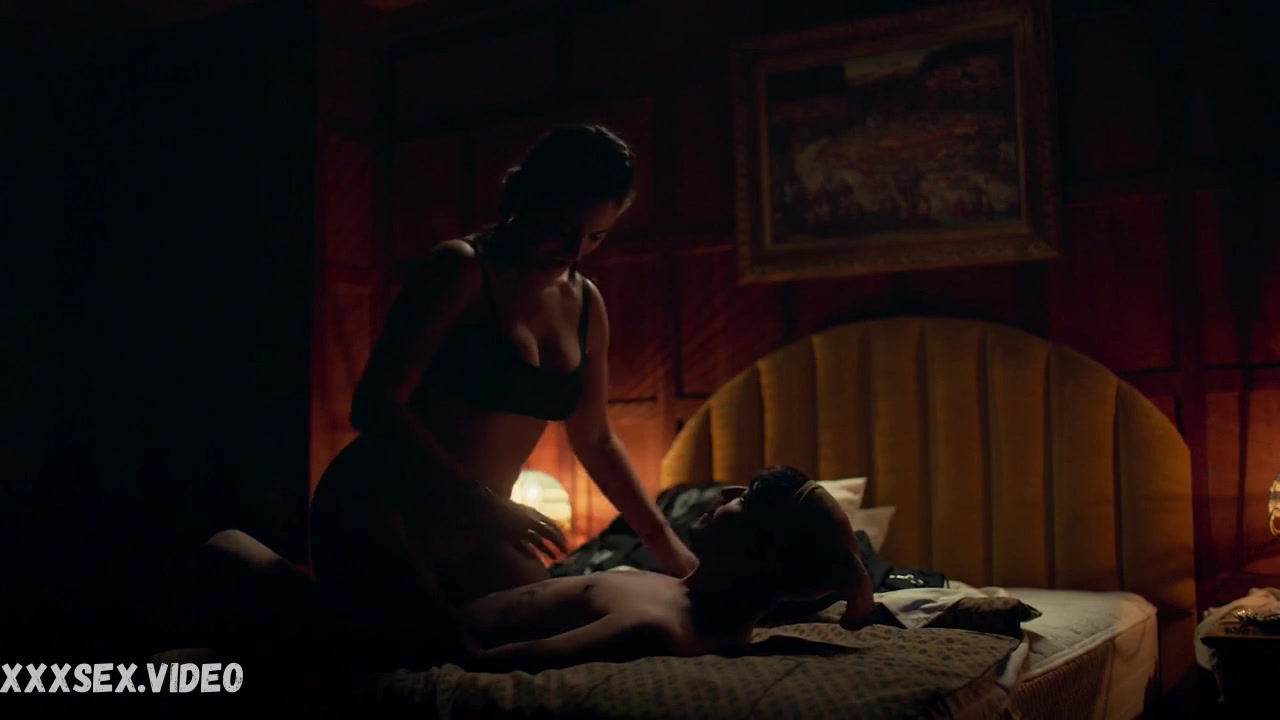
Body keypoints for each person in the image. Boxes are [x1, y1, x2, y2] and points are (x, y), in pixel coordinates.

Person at [308, 124, 698, 664]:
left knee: (550, 635)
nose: (574, 251)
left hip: (479, 528)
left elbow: (595, 439)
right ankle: (242, 561)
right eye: (564, 229)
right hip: (385, 506)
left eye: (596, 236)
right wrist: (479, 504)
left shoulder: (587, 303)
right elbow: (374, 404)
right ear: (527, 199)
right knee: (440, 651)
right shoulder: (462, 269)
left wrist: (667, 546)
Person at [456, 466, 877, 673]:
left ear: (759, 551)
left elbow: (491, 662)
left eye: (744, 500)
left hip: (444, 633)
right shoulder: (673, 592)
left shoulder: (657, 626)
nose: (725, 492)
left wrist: (426, 596)